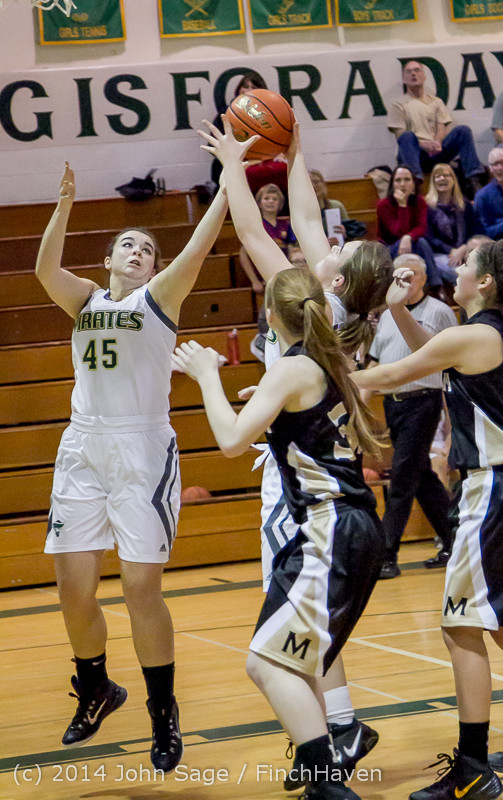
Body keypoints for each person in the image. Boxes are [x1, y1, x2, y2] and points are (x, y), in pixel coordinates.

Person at [199, 117, 389, 793]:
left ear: (341, 279)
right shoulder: (336, 309)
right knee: (297, 620)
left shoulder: (319, 309)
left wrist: (234, 165)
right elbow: (306, 219)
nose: (328, 243)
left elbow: (257, 233)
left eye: (340, 249)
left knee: (282, 628)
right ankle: (331, 732)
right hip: (311, 464)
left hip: (303, 488)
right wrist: (294, 151)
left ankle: (330, 737)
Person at [37, 163, 228, 771]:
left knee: (140, 588)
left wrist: (230, 185)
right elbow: (44, 270)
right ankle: (96, 685)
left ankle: (162, 710)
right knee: (74, 592)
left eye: (146, 248)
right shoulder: (85, 299)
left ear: (152, 267)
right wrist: (64, 207)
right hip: (82, 449)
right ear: (109, 260)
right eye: (128, 244)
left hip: (141, 450)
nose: (138, 251)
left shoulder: (159, 298)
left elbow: (196, 250)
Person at [172, 266, 385, 800]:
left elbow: (230, 442)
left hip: (331, 528)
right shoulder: (323, 359)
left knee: (268, 665)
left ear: (270, 315)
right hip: (342, 527)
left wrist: (206, 375)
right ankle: (327, 774)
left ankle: (329, 784)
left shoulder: (291, 368)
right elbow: (304, 420)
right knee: (280, 660)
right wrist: (270, 403)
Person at [351, 241, 503, 800]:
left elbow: (394, 373)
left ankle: (473, 768)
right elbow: (431, 354)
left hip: (492, 488)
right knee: (496, 625)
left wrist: (299, 380)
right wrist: (395, 308)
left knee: (461, 625)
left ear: (485, 283)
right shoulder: (478, 335)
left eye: (464, 265)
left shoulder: (478, 335)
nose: (454, 270)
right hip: (495, 485)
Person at [365, 253, 457, 579]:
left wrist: (453, 417)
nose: (401, 281)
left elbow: (453, 362)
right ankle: (455, 541)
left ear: (422, 278)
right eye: (397, 275)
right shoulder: (388, 315)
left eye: (408, 275)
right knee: (422, 478)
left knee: (402, 478)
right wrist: (359, 406)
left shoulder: (440, 312)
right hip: (393, 403)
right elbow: (374, 362)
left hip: (423, 401)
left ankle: (386, 556)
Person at [388, 60, 485, 195]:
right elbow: (400, 136)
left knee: (463, 130)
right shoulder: (398, 104)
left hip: (437, 152)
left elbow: (441, 127)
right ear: (404, 79)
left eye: (417, 70)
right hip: (415, 155)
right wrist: (425, 145)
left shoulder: (436, 101)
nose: (413, 74)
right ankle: (415, 183)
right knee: (407, 136)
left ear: (424, 75)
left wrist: (437, 143)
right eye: (409, 72)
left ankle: (474, 180)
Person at [377, 165, 444, 290]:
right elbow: (397, 231)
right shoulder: (383, 205)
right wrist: (402, 205)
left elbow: (421, 228)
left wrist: (408, 237)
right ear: (392, 184)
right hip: (390, 248)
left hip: (414, 243)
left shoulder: (420, 201)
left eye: (407, 180)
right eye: (398, 180)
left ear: (413, 184)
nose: (402, 184)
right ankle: (433, 285)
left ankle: (436, 286)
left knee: (422, 242)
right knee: (419, 243)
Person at [425, 163, 481, 285]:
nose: (442, 179)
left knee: (481, 269)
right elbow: (429, 238)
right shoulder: (427, 207)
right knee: (460, 273)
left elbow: (474, 230)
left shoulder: (465, 204)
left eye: (446, 175)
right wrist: (452, 251)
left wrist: (463, 248)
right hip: (440, 254)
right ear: (433, 181)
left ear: (454, 180)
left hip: (466, 249)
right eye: (438, 176)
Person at [239, 182, 296, 293]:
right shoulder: (255, 225)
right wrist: (254, 281)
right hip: (262, 276)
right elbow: (244, 253)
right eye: (266, 198)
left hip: (283, 275)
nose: (271, 201)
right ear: (259, 203)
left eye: (275, 199)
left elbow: (291, 249)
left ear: (280, 204)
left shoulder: (285, 225)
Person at [309, 168, 349, 247]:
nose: (313, 186)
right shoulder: (301, 211)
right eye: (309, 183)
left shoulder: (336, 206)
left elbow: (351, 230)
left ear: (323, 184)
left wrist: (345, 232)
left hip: (337, 248)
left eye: (316, 182)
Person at [474, 146, 503, 241]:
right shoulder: (482, 196)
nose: (500, 168)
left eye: (502, 163)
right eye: (495, 164)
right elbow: (483, 232)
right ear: (490, 168)